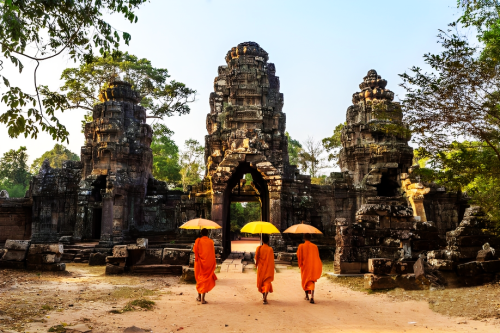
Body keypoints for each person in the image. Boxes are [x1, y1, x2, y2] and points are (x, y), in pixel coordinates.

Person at [193, 228, 217, 304]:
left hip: (199, 263)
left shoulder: (198, 241)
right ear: (208, 233)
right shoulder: (211, 242)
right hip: (208, 263)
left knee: (199, 278)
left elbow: (195, 251)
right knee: (206, 279)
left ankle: (199, 296)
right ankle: (202, 298)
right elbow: (212, 254)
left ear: (201, 233)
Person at [296, 233, 322, 304]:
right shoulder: (315, 246)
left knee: (305, 281)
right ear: (310, 238)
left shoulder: (301, 246)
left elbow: (299, 256)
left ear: (304, 238)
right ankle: (312, 296)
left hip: (305, 266)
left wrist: (300, 264)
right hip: (312, 266)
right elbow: (317, 257)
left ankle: (307, 295)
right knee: (312, 281)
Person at [255, 233, 275, 304]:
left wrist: (256, 264)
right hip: (268, 268)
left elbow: (256, 258)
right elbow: (272, 260)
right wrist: (273, 268)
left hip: (261, 268)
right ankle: (265, 296)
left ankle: (264, 296)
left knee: (262, 282)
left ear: (262, 240)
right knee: (267, 282)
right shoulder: (270, 249)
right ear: (269, 241)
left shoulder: (259, 248)